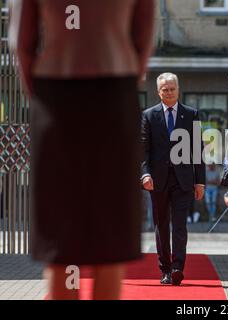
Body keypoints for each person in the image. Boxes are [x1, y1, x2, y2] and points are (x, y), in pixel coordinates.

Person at [9, 0, 155, 300]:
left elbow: (22, 44)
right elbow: (142, 39)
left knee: (61, 229)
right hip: (114, 90)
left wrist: (45, 97)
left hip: (57, 93)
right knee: (111, 229)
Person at [141, 72, 205, 286]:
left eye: (172, 88)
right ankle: (165, 270)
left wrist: (200, 181)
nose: (168, 92)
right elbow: (143, 150)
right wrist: (145, 174)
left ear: (178, 89)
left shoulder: (191, 114)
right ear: (158, 91)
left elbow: (198, 149)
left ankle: (178, 267)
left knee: (179, 225)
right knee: (161, 225)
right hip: (157, 181)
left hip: (183, 180)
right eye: (164, 89)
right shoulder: (149, 116)